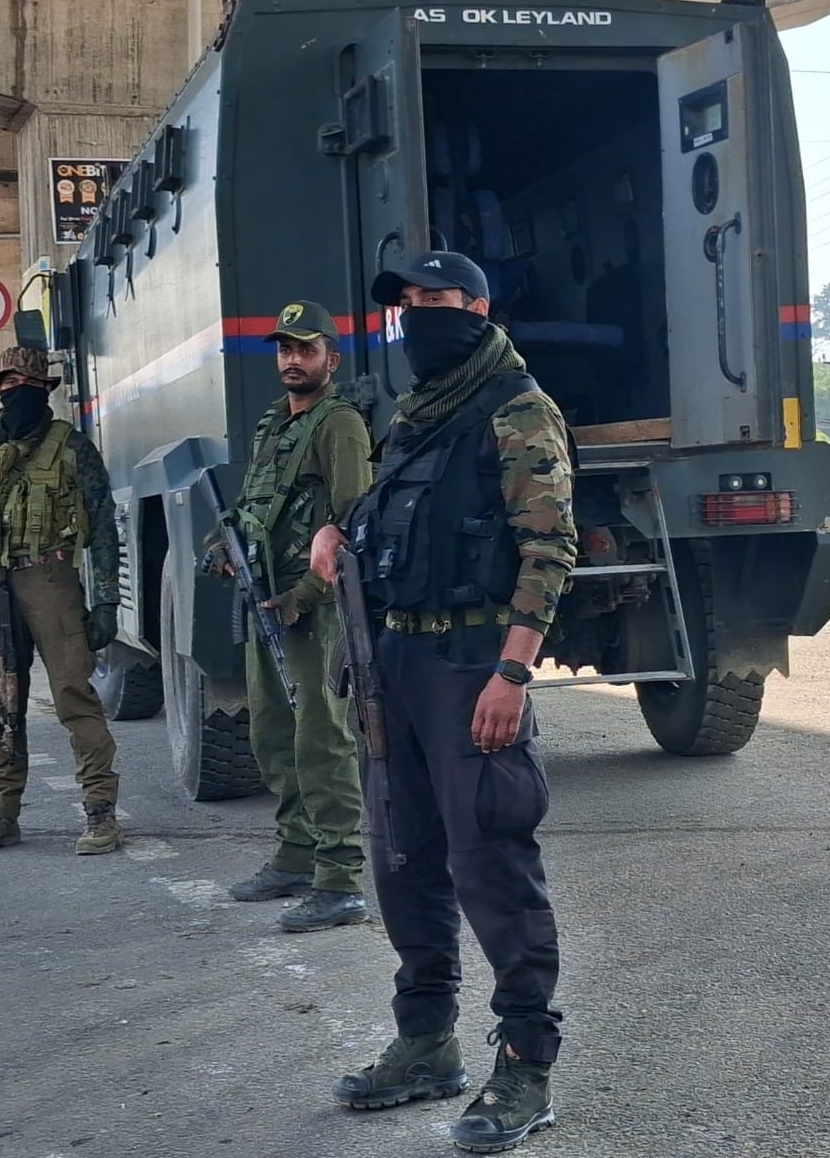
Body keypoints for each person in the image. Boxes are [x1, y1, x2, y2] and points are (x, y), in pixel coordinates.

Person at [311, 251, 576, 1154]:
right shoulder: (411, 415)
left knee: (491, 862)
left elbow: (549, 549)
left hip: (472, 663)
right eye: (409, 302)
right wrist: (336, 531)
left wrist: (513, 672)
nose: (419, 314)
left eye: (437, 300)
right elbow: (395, 522)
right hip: (396, 661)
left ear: (477, 306)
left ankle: (525, 1064)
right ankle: (426, 1042)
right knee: (404, 857)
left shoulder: (515, 407)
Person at [205, 300, 372, 933]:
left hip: (314, 609)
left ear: (331, 357)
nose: (292, 360)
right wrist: (224, 550)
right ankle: (296, 855)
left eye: (305, 349)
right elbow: (256, 505)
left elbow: (353, 521)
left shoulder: (340, 425)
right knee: (274, 735)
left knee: (322, 739)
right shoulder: (274, 423)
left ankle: (341, 879)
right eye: (284, 350)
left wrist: (303, 593)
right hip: (267, 603)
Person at [0, 346, 124, 857]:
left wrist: (106, 600)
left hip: (51, 579)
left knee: (73, 694)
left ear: (45, 388)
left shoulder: (72, 447)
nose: (17, 387)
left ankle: (100, 811)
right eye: (9, 380)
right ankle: (1, 813)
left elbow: (104, 525)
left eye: (28, 380)